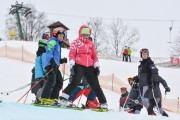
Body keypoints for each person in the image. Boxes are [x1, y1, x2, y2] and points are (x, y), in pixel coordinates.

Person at [59, 25, 107, 109]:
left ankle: (103, 103)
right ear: (80, 33)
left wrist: (97, 66)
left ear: (89, 34)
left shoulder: (91, 44)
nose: (85, 36)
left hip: (90, 66)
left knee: (95, 85)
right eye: (84, 34)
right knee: (75, 82)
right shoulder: (76, 42)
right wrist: (72, 65)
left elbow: (94, 56)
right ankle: (63, 98)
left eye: (87, 34)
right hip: (79, 65)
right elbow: (72, 54)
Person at [133, 48, 170, 116]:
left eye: (146, 54)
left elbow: (155, 72)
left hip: (148, 84)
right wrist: (137, 79)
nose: (144, 55)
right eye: (143, 54)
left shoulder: (150, 62)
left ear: (148, 54)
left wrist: (154, 81)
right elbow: (140, 76)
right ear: (141, 55)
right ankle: (154, 114)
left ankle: (152, 113)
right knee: (147, 101)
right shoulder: (140, 66)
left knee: (145, 100)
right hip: (142, 85)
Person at [40, 28, 65, 105]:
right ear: (56, 35)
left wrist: (61, 61)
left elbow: (55, 56)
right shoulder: (52, 41)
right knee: (51, 79)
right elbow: (49, 52)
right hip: (50, 65)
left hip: (55, 65)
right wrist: (52, 61)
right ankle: (44, 98)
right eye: (60, 35)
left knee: (59, 82)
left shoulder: (58, 44)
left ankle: (53, 99)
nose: (62, 37)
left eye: (63, 36)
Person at [31, 33, 49, 103]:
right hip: (42, 73)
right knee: (44, 86)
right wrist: (46, 72)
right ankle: (39, 98)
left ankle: (38, 98)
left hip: (38, 74)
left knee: (41, 85)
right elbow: (44, 64)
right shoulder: (44, 53)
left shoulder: (39, 53)